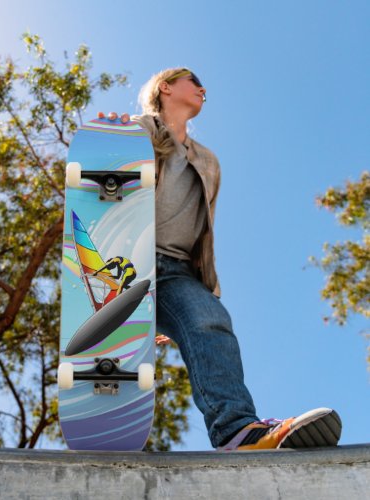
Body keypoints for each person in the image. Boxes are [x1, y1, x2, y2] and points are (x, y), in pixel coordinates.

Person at [99, 68, 342, 451]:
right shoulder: (135, 131)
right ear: (165, 87)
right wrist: (110, 140)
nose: (202, 88)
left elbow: (202, 230)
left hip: (178, 271)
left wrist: (192, 302)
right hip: (127, 260)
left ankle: (238, 432)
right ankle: (105, 421)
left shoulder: (208, 161)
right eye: (192, 81)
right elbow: (99, 184)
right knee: (116, 346)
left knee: (211, 320)